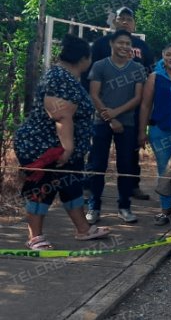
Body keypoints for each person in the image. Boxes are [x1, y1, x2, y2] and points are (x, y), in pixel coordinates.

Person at [14, 35, 110, 249]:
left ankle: (83, 229)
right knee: (42, 189)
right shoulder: (59, 77)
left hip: (64, 149)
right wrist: (67, 147)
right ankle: (35, 236)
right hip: (45, 147)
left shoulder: (66, 76)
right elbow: (60, 114)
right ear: (84, 59)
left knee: (71, 188)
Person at [87, 7, 155, 201]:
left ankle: (132, 186)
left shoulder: (143, 47)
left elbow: (151, 74)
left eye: (129, 19)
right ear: (114, 22)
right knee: (97, 154)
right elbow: (89, 77)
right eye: (121, 18)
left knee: (130, 153)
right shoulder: (100, 45)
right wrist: (103, 110)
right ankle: (91, 189)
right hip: (102, 111)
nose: (125, 22)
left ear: (134, 24)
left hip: (131, 110)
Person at [86, 30, 146, 224]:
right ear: (112, 43)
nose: (124, 46)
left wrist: (116, 113)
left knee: (126, 165)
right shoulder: (100, 65)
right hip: (101, 122)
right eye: (120, 42)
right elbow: (94, 94)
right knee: (97, 165)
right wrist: (110, 118)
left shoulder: (137, 68)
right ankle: (94, 207)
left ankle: (125, 206)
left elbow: (137, 98)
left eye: (128, 43)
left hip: (127, 123)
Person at [138, 42, 171, 225]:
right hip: (161, 131)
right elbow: (145, 105)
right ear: (163, 57)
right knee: (164, 170)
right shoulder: (155, 77)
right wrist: (142, 131)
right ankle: (165, 211)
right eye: (168, 54)